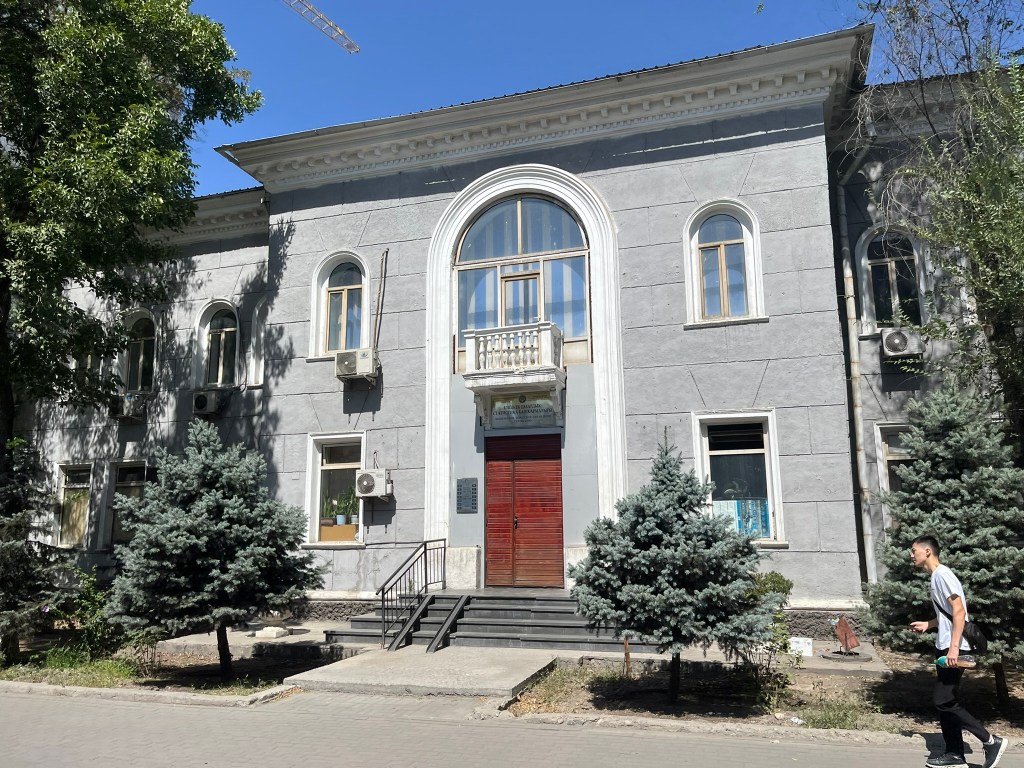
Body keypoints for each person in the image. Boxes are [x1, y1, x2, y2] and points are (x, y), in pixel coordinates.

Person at [909, 535, 1007, 768]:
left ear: (927, 551)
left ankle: (990, 741)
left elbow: (959, 611)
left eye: (914, 550)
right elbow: (947, 613)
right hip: (945, 644)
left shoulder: (943, 575)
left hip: (954, 646)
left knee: (943, 700)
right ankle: (954, 754)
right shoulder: (936, 576)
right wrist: (929, 624)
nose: (911, 555)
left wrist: (953, 648)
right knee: (946, 701)